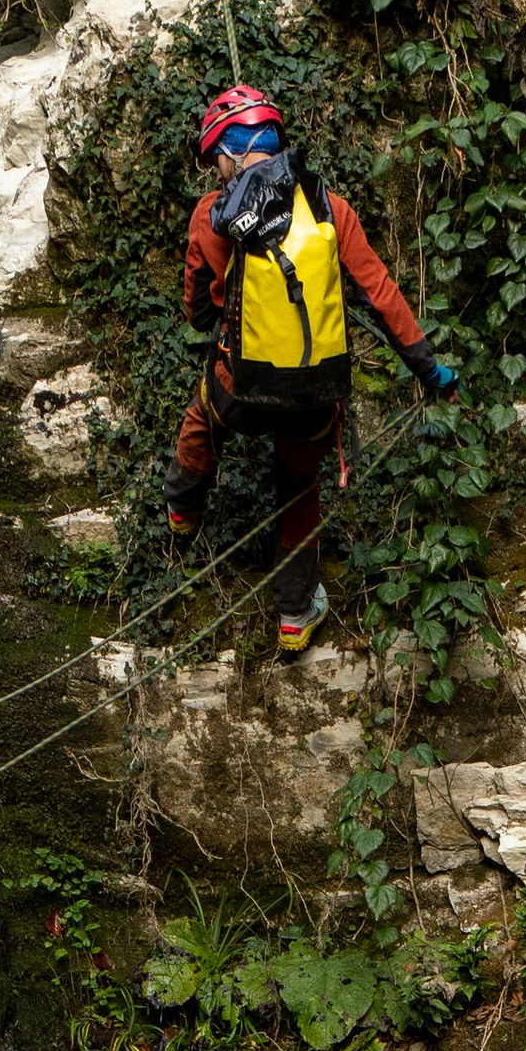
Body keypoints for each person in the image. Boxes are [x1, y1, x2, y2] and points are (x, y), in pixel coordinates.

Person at [163, 83, 457, 659]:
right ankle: (295, 616)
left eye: (214, 159)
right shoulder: (328, 206)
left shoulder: (212, 215)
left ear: (228, 149)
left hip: (239, 389)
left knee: (205, 414)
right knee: (299, 486)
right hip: (313, 394)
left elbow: (197, 313)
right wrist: (429, 369)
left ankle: (181, 509)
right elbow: (379, 293)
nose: (215, 172)